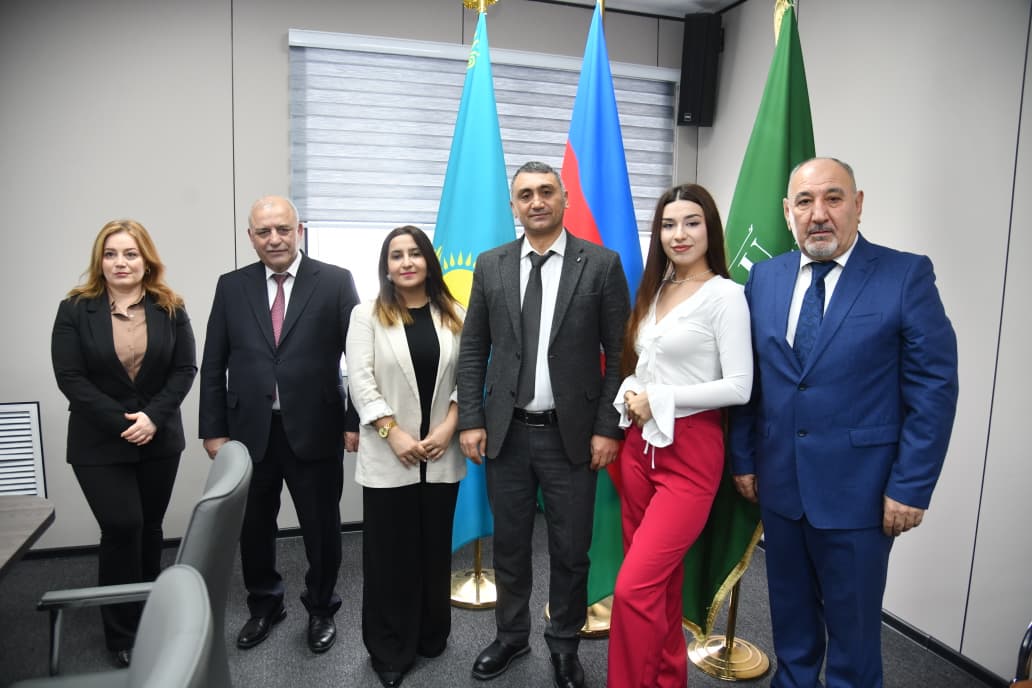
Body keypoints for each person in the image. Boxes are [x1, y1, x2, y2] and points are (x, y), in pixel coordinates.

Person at [729, 157, 959, 687]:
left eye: (833, 198)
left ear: (858, 204)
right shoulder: (764, 278)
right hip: (781, 487)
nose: (818, 214)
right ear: (787, 212)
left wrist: (911, 486)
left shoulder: (904, 275)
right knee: (790, 627)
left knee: (853, 639)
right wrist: (743, 458)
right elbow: (750, 381)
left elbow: (934, 389)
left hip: (863, 495)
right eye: (804, 201)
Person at [457, 161, 630, 688]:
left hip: (571, 437)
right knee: (509, 545)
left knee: (570, 550)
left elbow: (620, 354)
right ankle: (511, 636)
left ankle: (564, 645)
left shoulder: (600, 264)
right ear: (513, 205)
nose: (536, 201)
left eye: (546, 191)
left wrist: (608, 427)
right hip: (505, 434)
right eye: (526, 194)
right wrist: (471, 418)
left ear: (564, 198)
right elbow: (474, 348)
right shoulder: (491, 264)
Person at [198, 195, 359, 654]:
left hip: (317, 427)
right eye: (264, 231)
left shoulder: (335, 281)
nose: (274, 239)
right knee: (253, 527)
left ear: (299, 230)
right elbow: (214, 362)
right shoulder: (231, 286)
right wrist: (213, 428)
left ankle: (322, 606)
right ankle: (265, 604)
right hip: (249, 431)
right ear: (251, 237)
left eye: (283, 229)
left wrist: (354, 420)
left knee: (321, 528)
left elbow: (360, 357)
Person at [606, 184, 753, 688]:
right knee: (661, 586)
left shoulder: (726, 296)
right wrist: (634, 390)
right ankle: (667, 679)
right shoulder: (657, 288)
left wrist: (662, 399)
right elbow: (646, 365)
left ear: (710, 229)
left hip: (690, 454)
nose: (679, 234)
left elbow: (740, 386)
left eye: (692, 222)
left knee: (633, 589)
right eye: (668, 224)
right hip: (638, 450)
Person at [51, 219, 197, 667]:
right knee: (122, 527)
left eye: (130, 254)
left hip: (158, 437)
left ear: (145, 260)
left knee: (150, 528)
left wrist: (153, 417)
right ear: (100, 261)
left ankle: (150, 614)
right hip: (98, 441)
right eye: (111, 254)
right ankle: (121, 632)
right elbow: (70, 377)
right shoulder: (75, 309)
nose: (120, 262)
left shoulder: (170, 307)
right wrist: (124, 422)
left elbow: (184, 369)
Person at [346, 225, 466, 688]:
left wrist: (449, 426)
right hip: (389, 455)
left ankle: (431, 633)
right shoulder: (366, 315)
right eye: (396, 255)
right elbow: (360, 381)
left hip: (440, 452)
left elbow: (469, 376)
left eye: (414, 253)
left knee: (433, 549)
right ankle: (390, 648)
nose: (406, 262)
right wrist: (391, 432)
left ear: (428, 262)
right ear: (386, 266)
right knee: (390, 555)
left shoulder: (455, 313)